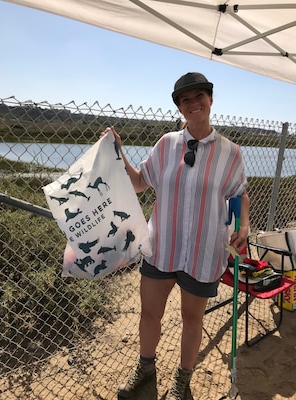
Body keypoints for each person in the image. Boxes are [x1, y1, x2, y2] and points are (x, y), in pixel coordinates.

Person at [102, 72, 250, 400]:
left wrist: (243, 226)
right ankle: (146, 367)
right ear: (180, 109)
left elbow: (239, 192)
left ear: (210, 100)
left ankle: (182, 379)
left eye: (199, 96)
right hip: (162, 248)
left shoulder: (232, 153)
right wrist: (118, 153)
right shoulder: (166, 144)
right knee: (149, 313)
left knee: (192, 319)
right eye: (186, 100)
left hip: (203, 250)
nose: (193, 103)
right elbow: (141, 182)